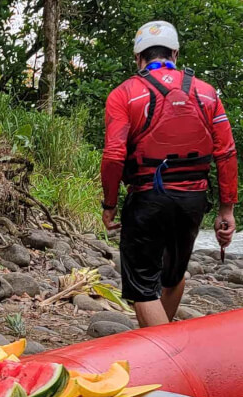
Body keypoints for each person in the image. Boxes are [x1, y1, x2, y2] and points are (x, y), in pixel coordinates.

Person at [101, 21, 237, 327]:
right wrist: (226, 209)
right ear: (175, 53)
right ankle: (164, 349)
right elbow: (226, 153)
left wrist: (109, 205)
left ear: (138, 58)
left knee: (143, 288)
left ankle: (168, 358)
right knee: (173, 277)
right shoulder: (207, 93)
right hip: (193, 199)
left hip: (148, 197)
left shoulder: (124, 94)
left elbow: (113, 157)